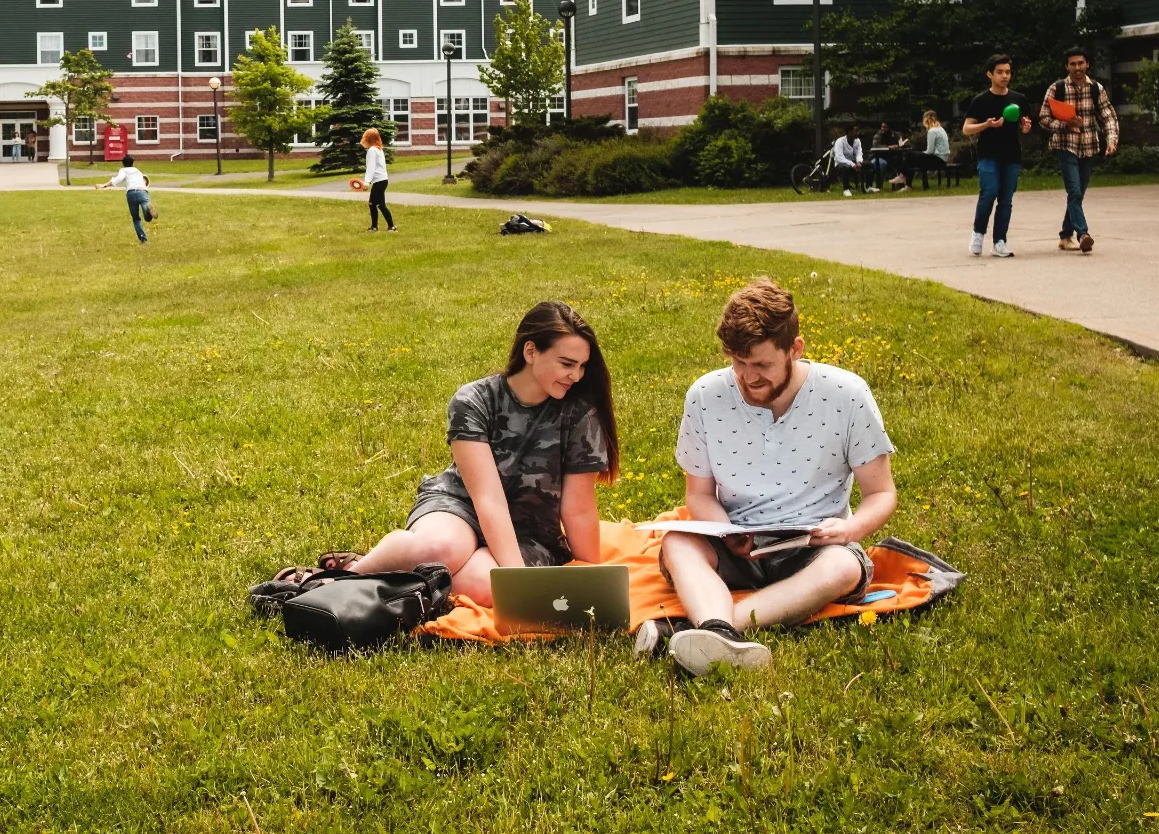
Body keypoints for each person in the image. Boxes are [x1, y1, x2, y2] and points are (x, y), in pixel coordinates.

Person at [644, 280, 897, 675]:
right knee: (677, 542)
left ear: (795, 349)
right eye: (737, 363)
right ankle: (717, 635)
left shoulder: (846, 394)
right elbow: (698, 494)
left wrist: (849, 531)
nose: (748, 377)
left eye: (761, 364)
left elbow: (881, 493)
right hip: (736, 544)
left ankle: (708, 629)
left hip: (812, 547)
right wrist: (726, 530)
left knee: (845, 568)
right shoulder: (705, 395)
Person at [322, 302, 619, 603]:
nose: (577, 376)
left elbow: (578, 509)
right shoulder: (474, 400)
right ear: (531, 352)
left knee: (481, 584)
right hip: (460, 508)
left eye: (582, 366)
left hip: (529, 531)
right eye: (567, 364)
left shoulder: (580, 416)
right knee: (437, 550)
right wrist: (520, 579)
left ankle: (405, 580)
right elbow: (487, 499)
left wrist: (594, 581)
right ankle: (338, 582)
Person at [1039, 47, 1119, 255]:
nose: (1077, 68)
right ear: (1067, 66)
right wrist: (1065, 124)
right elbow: (1044, 119)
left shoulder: (1096, 89)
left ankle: (1065, 236)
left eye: (1080, 63)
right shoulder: (1057, 89)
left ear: (1087, 64)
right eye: (1073, 64)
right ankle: (1083, 234)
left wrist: (1111, 139)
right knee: (1074, 191)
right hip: (1066, 146)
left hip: (1089, 146)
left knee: (1078, 194)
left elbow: (1108, 116)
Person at [963, 52, 1032, 258]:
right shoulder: (981, 100)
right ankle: (978, 234)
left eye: (1008, 72)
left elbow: (1025, 125)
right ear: (989, 74)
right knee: (989, 192)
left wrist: (1026, 126)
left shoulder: (1019, 99)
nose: (1005, 76)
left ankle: (999, 241)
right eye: (1000, 72)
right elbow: (966, 129)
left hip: (1012, 155)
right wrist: (987, 125)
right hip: (988, 155)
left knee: (1006, 199)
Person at [98, 155, 152, 243]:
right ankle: (148, 211)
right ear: (133, 163)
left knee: (136, 219)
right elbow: (144, 181)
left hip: (131, 193)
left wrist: (104, 185)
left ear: (123, 164)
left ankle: (143, 239)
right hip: (142, 192)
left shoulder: (123, 170)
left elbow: (117, 179)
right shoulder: (138, 171)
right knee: (147, 218)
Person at [362, 127, 395, 232]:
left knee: (376, 204)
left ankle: (388, 227)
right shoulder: (379, 149)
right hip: (383, 180)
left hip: (379, 181)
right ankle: (378, 226)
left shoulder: (372, 150)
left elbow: (371, 167)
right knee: (376, 204)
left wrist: (367, 181)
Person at [831, 124, 865, 196]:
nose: (857, 133)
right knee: (846, 167)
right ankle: (846, 189)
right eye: (855, 131)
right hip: (841, 164)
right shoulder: (840, 141)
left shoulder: (857, 141)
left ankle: (868, 186)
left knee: (869, 164)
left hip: (854, 162)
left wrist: (859, 162)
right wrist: (852, 164)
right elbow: (839, 157)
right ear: (849, 132)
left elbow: (859, 153)